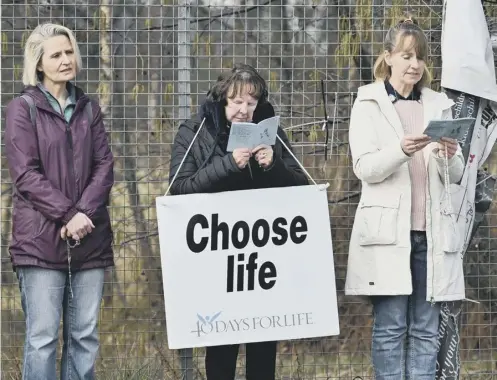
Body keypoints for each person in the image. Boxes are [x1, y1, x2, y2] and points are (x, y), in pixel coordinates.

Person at [168, 63, 309, 379]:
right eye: (237, 102)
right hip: (215, 258)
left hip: (262, 260)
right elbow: (179, 188)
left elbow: (303, 188)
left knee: (263, 346)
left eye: (251, 103)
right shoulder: (195, 131)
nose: (244, 110)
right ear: (222, 99)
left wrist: (273, 165)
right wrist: (228, 164)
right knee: (220, 347)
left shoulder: (271, 132)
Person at [345, 16, 466, 380]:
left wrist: (449, 156)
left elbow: (456, 176)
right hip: (388, 234)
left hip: (430, 234)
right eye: (407, 56)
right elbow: (364, 168)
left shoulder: (439, 104)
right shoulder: (367, 103)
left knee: (427, 329)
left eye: (421, 58)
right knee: (391, 327)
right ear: (389, 57)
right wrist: (399, 149)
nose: (415, 65)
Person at [4, 23, 114, 380]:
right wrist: (68, 213)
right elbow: (25, 174)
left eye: (69, 52)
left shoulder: (89, 108)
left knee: (84, 337)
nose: (66, 60)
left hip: (90, 239)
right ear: (38, 64)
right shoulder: (23, 109)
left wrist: (83, 214)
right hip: (40, 243)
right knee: (43, 338)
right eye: (56, 55)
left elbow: (104, 166)